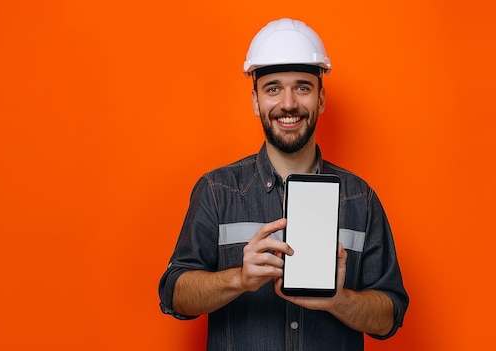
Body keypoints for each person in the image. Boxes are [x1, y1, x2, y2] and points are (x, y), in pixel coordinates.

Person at [158, 18, 409, 350]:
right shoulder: (217, 191)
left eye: (302, 87)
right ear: (256, 101)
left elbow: (390, 316)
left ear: (320, 100)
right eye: (273, 88)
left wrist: (338, 299)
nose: (288, 104)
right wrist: (240, 279)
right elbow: (173, 295)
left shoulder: (360, 198)